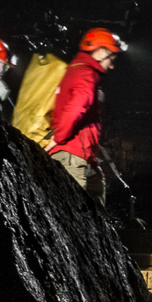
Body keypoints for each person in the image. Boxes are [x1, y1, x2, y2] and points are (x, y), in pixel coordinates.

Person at [49, 27, 125, 197]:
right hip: (72, 154)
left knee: (97, 191)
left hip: (83, 154)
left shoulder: (78, 69)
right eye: (111, 59)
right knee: (72, 206)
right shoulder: (86, 74)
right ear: (101, 52)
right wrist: (58, 138)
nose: (112, 66)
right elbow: (76, 107)